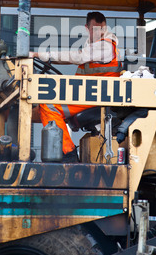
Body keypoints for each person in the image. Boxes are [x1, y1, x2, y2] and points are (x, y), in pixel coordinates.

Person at [30, 11, 122, 162]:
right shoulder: (93, 47)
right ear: (86, 28)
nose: (99, 33)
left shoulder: (105, 46)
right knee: (40, 108)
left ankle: (67, 155)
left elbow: (77, 56)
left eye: (102, 28)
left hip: (99, 96)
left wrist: (39, 55)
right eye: (95, 29)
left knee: (49, 105)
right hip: (90, 93)